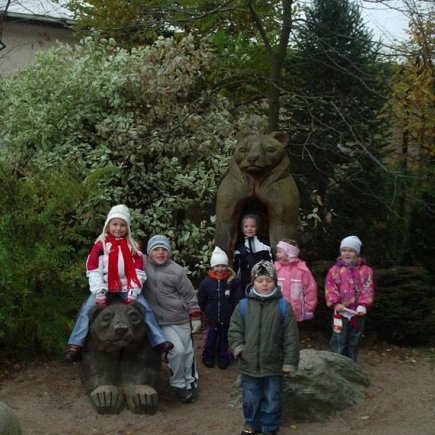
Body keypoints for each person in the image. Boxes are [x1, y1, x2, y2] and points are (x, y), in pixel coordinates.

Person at [64, 205, 173, 362]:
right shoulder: (100, 245)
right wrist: (99, 291)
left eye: (122, 225)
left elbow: (138, 272)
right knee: (87, 309)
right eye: (115, 224)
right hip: (105, 286)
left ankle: (158, 341)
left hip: (127, 287)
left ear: (127, 227)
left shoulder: (133, 247)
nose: (118, 228)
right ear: (108, 225)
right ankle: (76, 344)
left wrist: (133, 291)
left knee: (145, 308)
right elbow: (93, 269)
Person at [229, 260, 300, 435]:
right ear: (253, 281)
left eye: (268, 280)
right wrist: (239, 348)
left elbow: (291, 337)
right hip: (249, 363)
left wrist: (289, 362)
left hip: (274, 364)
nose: (264, 284)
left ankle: (269, 428)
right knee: (250, 398)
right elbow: (235, 330)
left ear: (275, 281)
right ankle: (251, 424)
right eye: (260, 280)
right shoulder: (244, 306)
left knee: (272, 398)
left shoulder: (283, 307)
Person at [143, 234, 202, 404]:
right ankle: (178, 384)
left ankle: (190, 382)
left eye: (164, 249)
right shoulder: (144, 265)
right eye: (156, 249)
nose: (160, 253)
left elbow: (189, 294)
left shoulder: (176, 270)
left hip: (181, 317)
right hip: (162, 321)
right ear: (149, 252)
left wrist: (195, 315)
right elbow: (127, 247)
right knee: (178, 351)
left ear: (169, 252)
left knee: (189, 352)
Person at [325, 235, 375, 361]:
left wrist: (363, 304)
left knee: (354, 341)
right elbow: (330, 288)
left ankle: (351, 366)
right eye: (344, 250)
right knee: (338, 340)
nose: (347, 253)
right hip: (340, 313)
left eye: (351, 251)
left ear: (357, 252)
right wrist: (335, 303)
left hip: (357, 313)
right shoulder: (334, 270)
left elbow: (367, 287)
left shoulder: (366, 271)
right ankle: (337, 365)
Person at [197, 246, 243, 370]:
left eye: (223, 265)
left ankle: (224, 358)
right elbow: (201, 298)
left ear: (227, 266)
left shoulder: (232, 281)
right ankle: (208, 357)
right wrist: (203, 310)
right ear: (213, 266)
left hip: (227, 317)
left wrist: (236, 312)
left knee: (225, 340)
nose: (220, 268)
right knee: (210, 338)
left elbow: (237, 298)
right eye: (217, 266)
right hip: (212, 318)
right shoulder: (206, 282)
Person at [274, 239, 318, 322]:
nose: (277, 254)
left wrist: (309, 309)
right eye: (277, 251)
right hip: (277, 310)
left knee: (292, 333)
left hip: (295, 311)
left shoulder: (302, 270)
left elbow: (310, 289)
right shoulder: (276, 268)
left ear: (290, 253)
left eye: (280, 251)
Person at [234, 214, 273, 293]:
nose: (249, 229)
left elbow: (271, 264)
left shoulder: (264, 244)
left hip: (262, 282)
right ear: (242, 228)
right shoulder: (239, 246)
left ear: (257, 228)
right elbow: (237, 268)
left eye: (253, 226)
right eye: (246, 226)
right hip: (245, 282)